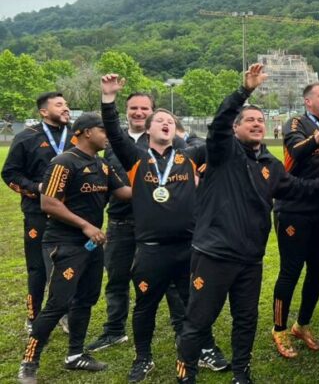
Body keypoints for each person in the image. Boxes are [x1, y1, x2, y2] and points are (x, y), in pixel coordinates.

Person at [176, 64, 319, 384]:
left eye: (261, 121)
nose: (257, 124)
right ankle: (186, 374)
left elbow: (297, 188)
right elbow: (220, 121)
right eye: (250, 120)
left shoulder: (269, 164)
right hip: (215, 254)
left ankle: (242, 374)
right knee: (199, 319)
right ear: (236, 128)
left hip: (251, 258)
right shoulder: (222, 151)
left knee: (246, 319)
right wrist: (244, 91)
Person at [100, 74, 215, 382]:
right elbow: (113, 132)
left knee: (192, 307)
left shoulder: (189, 156)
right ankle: (143, 358)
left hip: (188, 248)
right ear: (147, 128)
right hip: (151, 251)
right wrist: (108, 98)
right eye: (159, 120)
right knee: (145, 307)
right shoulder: (136, 158)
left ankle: (190, 359)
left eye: (169, 121)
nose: (165, 123)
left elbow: (221, 140)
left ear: (175, 130)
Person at [18, 113, 132, 383]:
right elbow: (49, 203)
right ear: (85, 132)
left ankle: (75, 355)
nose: (108, 136)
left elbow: (124, 192)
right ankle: (29, 362)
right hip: (65, 243)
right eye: (103, 131)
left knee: (86, 299)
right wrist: (85, 225)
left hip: (92, 245)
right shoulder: (63, 162)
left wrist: (158, 188)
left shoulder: (102, 165)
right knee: (58, 303)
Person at [88, 93, 200, 362]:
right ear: (127, 112)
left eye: (144, 108)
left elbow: (191, 172)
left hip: (159, 228)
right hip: (121, 221)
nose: (138, 112)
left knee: (175, 286)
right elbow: (107, 175)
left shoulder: (177, 145)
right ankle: (115, 329)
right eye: (133, 108)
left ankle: (180, 332)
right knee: (117, 278)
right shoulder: (117, 144)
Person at [272, 82, 319, 358]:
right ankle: (279, 329)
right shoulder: (295, 122)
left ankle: (302, 324)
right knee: (290, 271)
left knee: (316, 271)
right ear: (308, 101)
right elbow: (296, 152)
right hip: (294, 210)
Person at [3, 92, 74, 334]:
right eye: (59, 105)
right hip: (37, 213)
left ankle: (64, 314)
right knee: (38, 268)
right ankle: (34, 317)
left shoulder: (76, 135)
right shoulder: (26, 138)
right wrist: (37, 189)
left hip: (71, 214)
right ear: (43, 112)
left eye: (66, 104)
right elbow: (10, 173)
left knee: (67, 265)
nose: (66, 108)